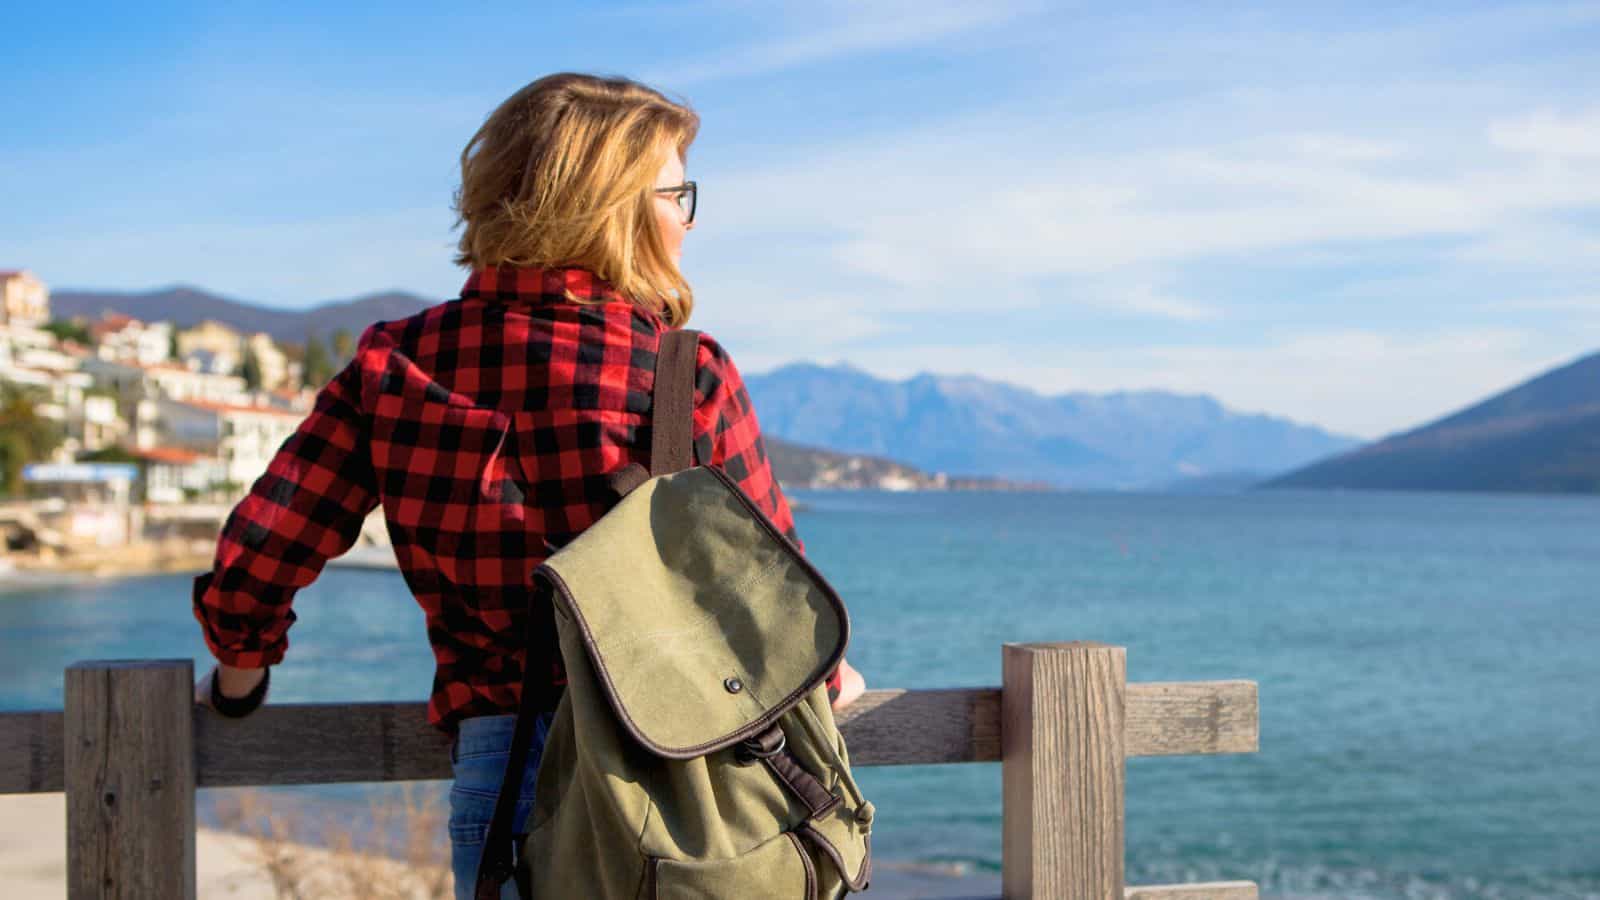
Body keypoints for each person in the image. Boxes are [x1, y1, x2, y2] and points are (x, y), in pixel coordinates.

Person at [190, 72, 866, 899]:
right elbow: (773, 595)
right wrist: (834, 681)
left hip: (502, 772)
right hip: (683, 776)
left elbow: (263, 551)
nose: (686, 221)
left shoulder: (396, 365)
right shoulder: (682, 372)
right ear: (612, 206)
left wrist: (240, 677)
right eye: (674, 195)